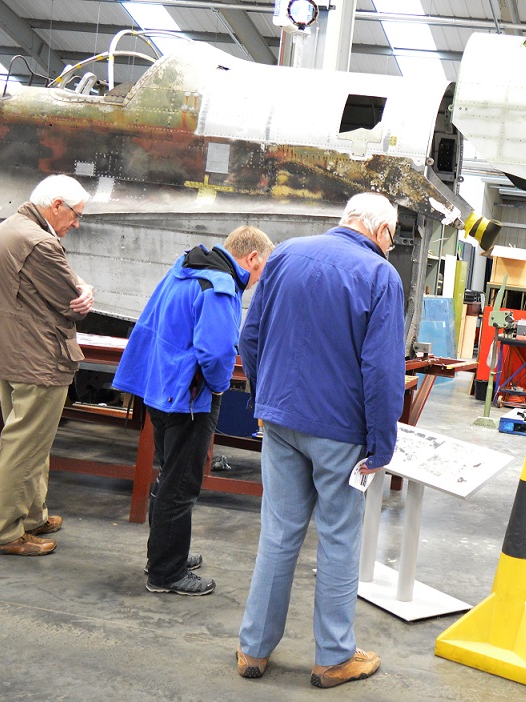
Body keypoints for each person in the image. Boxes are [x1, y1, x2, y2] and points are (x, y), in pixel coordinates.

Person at [235, 192, 404, 688]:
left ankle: (253, 650)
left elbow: (252, 335)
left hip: (281, 421)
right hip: (341, 433)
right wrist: (381, 442)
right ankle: (333, 656)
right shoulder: (380, 276)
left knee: (278, 534)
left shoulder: (285, 253)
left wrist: (264, 400)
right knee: (337, 539)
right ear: (380, 231)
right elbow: (381, 370)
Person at [114, 226, 275, 596]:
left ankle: (165, 553)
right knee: (181, 484)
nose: (258, 280)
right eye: (263, 268)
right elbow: (217, 353)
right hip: (189, 398)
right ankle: (166, 573)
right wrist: (218, 388)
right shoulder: (219, 286)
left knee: (168, 473)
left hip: (161, 388)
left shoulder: (186, 266)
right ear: (252, 258)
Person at [0, 174, 95, 556]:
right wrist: (84, 290)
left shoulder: (10, 228)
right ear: (57, 205)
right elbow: (70, 301)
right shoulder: (42, 244)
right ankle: (3, 532)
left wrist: (78, 285)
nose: (77, 224)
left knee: (29, 441)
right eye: (76, 215)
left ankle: (31, 516)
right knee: (25, 446)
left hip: (11, 353)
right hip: (39, 358)